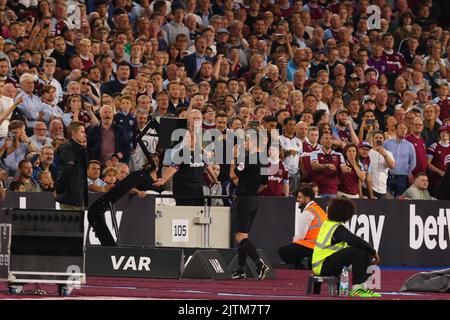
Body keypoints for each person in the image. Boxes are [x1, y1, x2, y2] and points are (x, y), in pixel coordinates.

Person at [312, 197, 382, 298]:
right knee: (359, 249)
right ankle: (356, 288)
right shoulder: (337, 228)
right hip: (322, 266)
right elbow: (355, 240)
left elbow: (357, 242)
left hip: (325, 263)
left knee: (364, 250)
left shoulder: (331, 225)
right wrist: (374, 252)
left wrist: (370, 252)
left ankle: (362, 286)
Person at [154, 109, 219, 205]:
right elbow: (174, 166)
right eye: (194, 118)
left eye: (198, 118)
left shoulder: (201, 149)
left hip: (197, 186)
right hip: (183, 186)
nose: (196, 120)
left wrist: (215, 180)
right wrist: (164, 179)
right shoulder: (180, 145)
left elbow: (207, 165)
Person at [229, 130, 270, 280]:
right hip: (254, 199)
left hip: (245, 200)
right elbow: (264, 184)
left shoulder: (247, 158)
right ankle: (241, 269)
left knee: (240, 237)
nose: (245, 143)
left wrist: (232, 157)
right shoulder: (265, 160)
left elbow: (233, 175)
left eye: (246, 141)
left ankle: (259, 264)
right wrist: (252, 190)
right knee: (244, 235)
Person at [278, 184, 327, 269]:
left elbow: (301, 236)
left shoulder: (307, 212)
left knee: (283, 251)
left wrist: (293, 241)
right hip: (322, 245)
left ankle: (300, 269)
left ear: (307, 198)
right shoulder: (319, 209)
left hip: (312, 246)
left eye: (300, 197)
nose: (297, 200)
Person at [55, 121, 89, 210]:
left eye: (84, 132)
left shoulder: (81, 149)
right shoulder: (68, 148)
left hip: (79, 197)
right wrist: (59, 190)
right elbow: (66, 170)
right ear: (73, 133)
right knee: (68, 224)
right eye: (82, 132)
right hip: (69, 198)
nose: (84, 135)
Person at [384, 122, 417, 198]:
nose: (403, 130)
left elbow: (413, 162)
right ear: (395, 130)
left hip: (402, 179)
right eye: (401, 128)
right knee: (387, 200)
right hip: (388, 176)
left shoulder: (410, 146)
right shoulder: (386, 143)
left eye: (405, 129)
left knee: (400, 202)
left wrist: (407, 172)